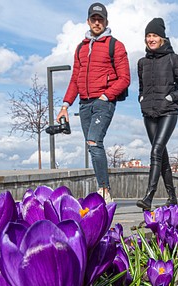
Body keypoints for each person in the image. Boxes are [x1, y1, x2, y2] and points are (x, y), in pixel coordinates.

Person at [56, 2, 130, 204]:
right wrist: (65, 105)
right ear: (88, 21)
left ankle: (104, 190)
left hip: (103, 102)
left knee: (94, 141)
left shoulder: (115, 45)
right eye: (93, 19)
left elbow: (125, 78)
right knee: (91, 146)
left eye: (101, 19)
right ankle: (103, 187)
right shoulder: (81, 48)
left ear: (106, 21)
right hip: (83, 104)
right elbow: (75, 79)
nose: (97, 23)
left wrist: (106, 96)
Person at [135, 17, 178, 211]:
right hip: (149, 113)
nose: (151, 39)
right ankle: (172, 197)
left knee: (155, 151)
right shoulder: (142, 62)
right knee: (163, 156)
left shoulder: (174, 59)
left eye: (154, 35)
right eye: (148, 36)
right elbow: (141, 87)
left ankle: (149, 197)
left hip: (168, 112)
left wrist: (170, 98)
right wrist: (141, 98)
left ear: (162, 38)